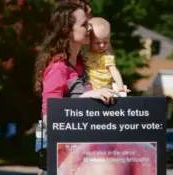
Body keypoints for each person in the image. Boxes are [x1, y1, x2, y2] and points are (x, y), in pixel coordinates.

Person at [34, 3, 117, 174]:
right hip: (63, 157)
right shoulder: (58, 68)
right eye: (84, 24)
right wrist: (86, 98)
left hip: (84, 152)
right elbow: (49, 116)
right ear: (67, 30)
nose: (90, 28)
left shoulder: (81, 62)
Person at [82, 17, 129, 95]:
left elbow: (114, 71)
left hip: (105, 87)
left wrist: (120, 87)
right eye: (97, 43)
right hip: (89, 88)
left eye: (106, 42)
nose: (102, 45)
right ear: (89, 40)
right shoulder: (85, 52)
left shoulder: (107, 56)